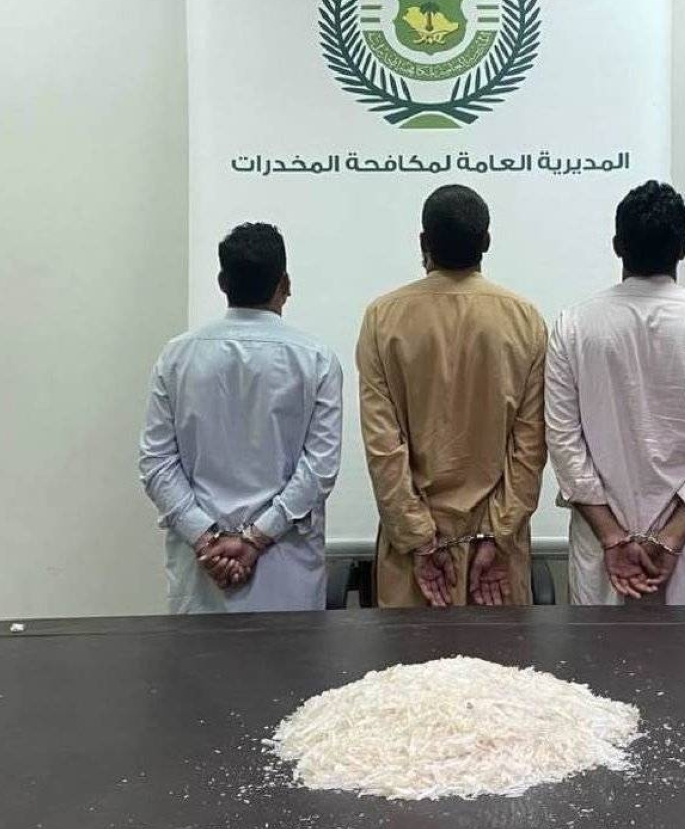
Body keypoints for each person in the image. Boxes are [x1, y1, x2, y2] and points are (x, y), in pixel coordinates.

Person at [545, 181, 685, 605]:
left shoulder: (573, 327)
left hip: (604, 553)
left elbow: (564, 444)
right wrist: (671, 540)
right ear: (683, 248)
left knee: (599, 652)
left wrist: (612, 537)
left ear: (617, 245)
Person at [358, 185, 547, 607]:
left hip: (416, 563)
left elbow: (383, 448)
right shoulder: (524, 319)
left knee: (415, 653)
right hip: (495, 564)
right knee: (499, 654)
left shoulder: (382, 319)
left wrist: (420, 539)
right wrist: (497, 535)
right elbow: (530, 449)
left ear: (423, 242)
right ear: (487, 241)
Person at [139, 223, 343, 614]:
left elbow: (156, 464)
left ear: (222, 282)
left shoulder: (176, 357)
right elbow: (319, 470)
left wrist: (205, 538)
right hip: (287, 574)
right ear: (285, 284)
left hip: (203, 572)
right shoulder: (316, 359)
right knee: (293, 659)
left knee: (200, 658)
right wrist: (255, 539)